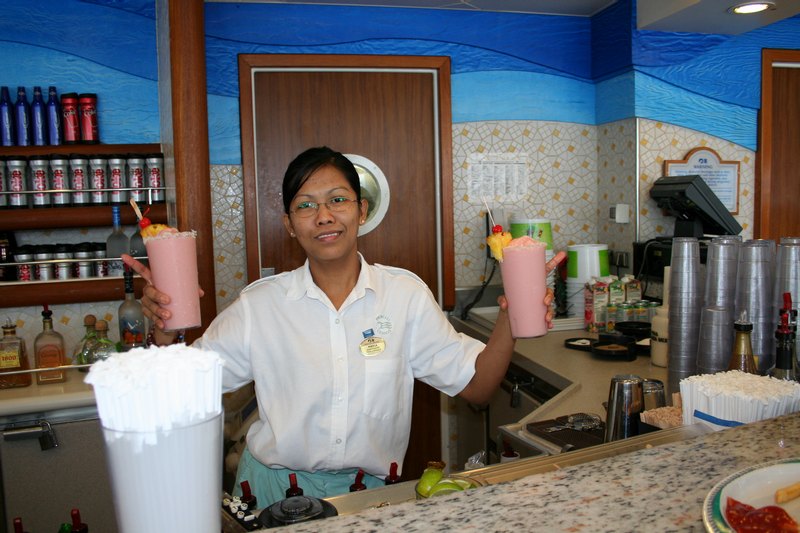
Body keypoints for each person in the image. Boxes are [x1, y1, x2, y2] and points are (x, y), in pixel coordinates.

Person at [123, 146, 566, 506]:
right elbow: (178, 391)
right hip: (271, 491)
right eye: (305, 205)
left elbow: (477, 386)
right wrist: (164, 330)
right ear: (289, 225)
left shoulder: (404, 296)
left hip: (369, 496)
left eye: (337, 199)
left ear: (362, 209)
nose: (324, 216)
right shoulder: (260, 305)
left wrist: (511, 316)